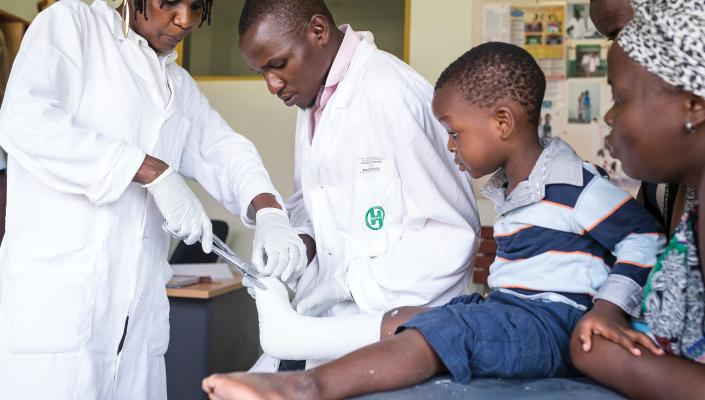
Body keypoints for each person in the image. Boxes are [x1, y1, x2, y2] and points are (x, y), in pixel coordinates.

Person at [201, 42, 665, 400]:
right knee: (415, 318)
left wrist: (609, 309)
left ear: (502, 122)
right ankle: (302, 354)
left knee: (443, 332)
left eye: (455, 133)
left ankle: (310, 386)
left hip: (552, 321)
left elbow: (643, 235)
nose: (450, 147)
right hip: (513, 309)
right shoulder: (513, 188)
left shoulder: (573, 183)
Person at [0, 0, 307, 398]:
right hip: (55, 320)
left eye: (196, 8)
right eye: (168, 3)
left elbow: (225, 152)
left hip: (136, 334)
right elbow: (25, 120)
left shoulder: (175, 85)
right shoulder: (72, 25)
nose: (183, 20)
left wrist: (269, 212)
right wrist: (151, 171)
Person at [237, 0, 480, 371]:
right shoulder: (314, 102)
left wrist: (349, 284)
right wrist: (298, 245)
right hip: (327, 330)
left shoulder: (392, 92)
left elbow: (452, 236)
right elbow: (313, 198)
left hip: (390, 332)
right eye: (261, 73)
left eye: (278, 64)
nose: (272, 85)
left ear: (318, 32)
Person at [570, 1, 705, 399]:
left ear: (694, 104)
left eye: (621, 97)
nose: (609, 117)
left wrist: (610, 359)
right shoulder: (666, 188)